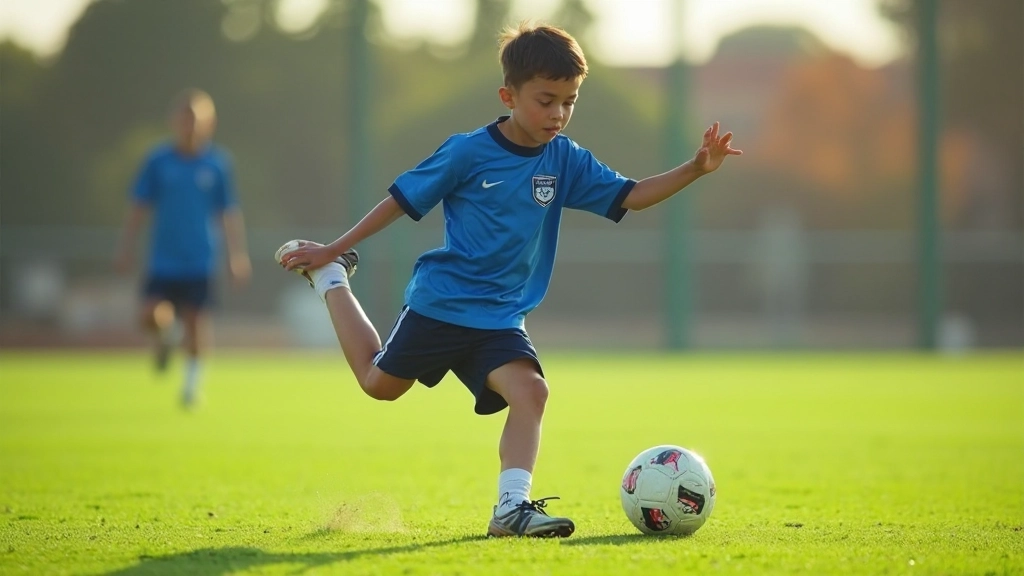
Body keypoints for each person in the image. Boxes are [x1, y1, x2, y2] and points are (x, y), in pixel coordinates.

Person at [275, 22, 741, 537]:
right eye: (546, 100)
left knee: (532, 393)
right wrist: (334, 248)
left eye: (569, 101)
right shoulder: (467, 152)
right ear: (508, 95)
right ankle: (333, 281)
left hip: (500, 316)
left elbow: (631, 194)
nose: (558, 113)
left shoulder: (565, 158)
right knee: (379, 385)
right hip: (442, 304)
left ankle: (510, 509)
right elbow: (399, 203)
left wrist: (696, 168)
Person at [115, 88, 251, 408]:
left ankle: (191, 388)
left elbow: (228, 212)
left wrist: (236, 255)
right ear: (174, 122)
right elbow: (138, 206)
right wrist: (126, 246)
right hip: (164, 258)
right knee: (149, 315)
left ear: (209, 123)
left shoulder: (217, 164)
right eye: (184, 118)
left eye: (196, 119)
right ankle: (166, 337)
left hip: (200, 258)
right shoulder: (158, 161)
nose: (189, 125)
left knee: (196, 322)